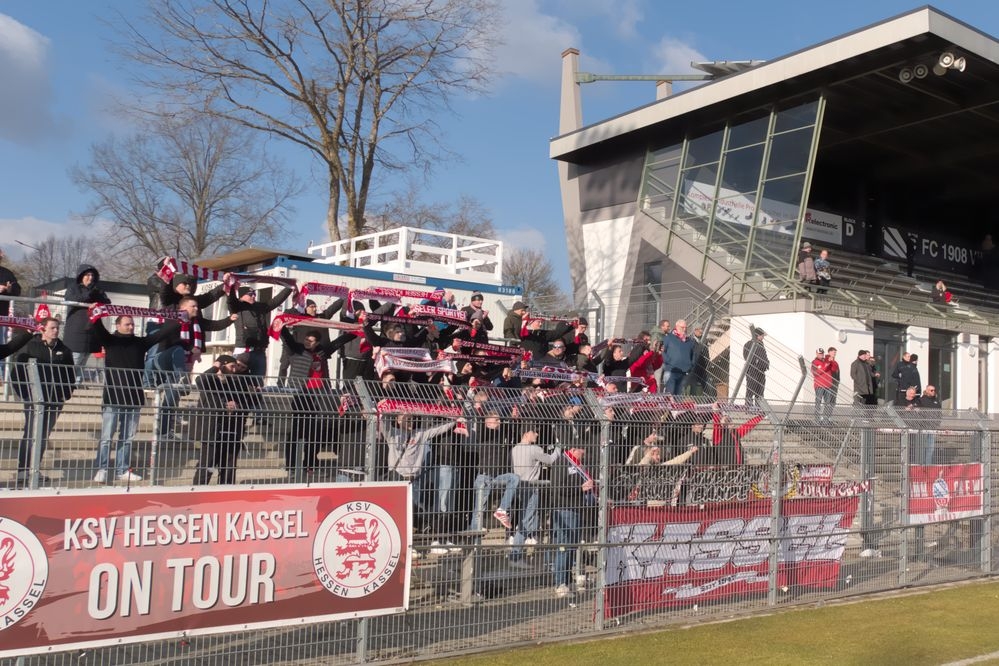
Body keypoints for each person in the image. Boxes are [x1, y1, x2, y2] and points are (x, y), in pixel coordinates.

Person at [89, 313, 172, 483]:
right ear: (118, 325)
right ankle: (102, 469)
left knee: (127, 438)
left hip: (133, 398)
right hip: (113, 398)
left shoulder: (140, 343)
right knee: (107, 437)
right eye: (127, 324)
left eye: (132, 324)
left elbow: (162, 333)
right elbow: (97, 327)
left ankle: (122, 469)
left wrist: (180, 319)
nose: (131, 327)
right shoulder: (110, 340)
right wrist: (95, 314)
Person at [12, 318, 75, 485]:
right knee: (31, 433)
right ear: (43, 330)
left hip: (55, 400)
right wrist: (25, 394)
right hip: (34, 400)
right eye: (52, 328)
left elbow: (70, 374)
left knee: (43, 435)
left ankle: (34, 469)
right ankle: (23, 470)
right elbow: (17, 372)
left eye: (57, 328)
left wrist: (66, 393)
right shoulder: (31, 346)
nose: (56, 331)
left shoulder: (64, 350)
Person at [190, 355, 258, 485]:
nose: (235, 370)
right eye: (232, 366)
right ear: (222, 365)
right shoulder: (211, 380)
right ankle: (198, 490)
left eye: (236, 367)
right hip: (213, 430)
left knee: (228, 467)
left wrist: (253, 395)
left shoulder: (235, 382)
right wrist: (215, 367)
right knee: (207, 465)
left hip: (231, 430)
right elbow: (200, 380)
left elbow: (246, 403)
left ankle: (226, 489)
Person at [509, 426, 560, 566]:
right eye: (534, 432)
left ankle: (520, 550)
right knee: (527, 523)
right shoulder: (534, 449)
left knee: (527, 520)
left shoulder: (514, 449)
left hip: (520, 488)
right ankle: (515, 557)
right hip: (531, 489)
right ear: (526, 434)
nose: (537, 434)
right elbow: (550, 460)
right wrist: (558, 448)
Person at [549, 443, 595, 599]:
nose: (583, 454)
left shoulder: (577, 465)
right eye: (582, 451)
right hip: (564, 509)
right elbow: (558, 488)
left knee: (572, 547)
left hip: (576, 509)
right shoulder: (561, 463)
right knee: (564, 547)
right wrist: (580, 488)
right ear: (574, 450)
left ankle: (567, 580)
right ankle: (560, 583)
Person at [467, 412, 519, 531]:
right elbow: (480, 422)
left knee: (514, 478)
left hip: (497, 477)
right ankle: (475, 536)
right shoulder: (484, 433)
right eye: (496, 420)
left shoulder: (500, 434)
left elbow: (511, 432)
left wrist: (512, 419)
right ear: (488, 422)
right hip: (485, 476)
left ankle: (502, 510)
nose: (499, 422)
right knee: (480, 509)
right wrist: (479, 410)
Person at [228, 284, 294, 376]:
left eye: (254, 294)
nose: (253, 296)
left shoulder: (260, 307)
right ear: (241, 297)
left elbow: (275, 301)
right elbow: (230, 300)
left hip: (260, 351)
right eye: (250, 294)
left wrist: (290, 287)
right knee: (239, 379)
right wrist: (231, 286)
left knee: (258, 381)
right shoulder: (237, 307)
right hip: (244, 349)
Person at [62, 264, 111, 385]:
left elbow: (107, 301)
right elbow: (72, 299)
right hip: (76, 332)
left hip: (91, 332)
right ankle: (67, 385)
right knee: (74, 361)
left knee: (83, 362)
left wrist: (96, 298)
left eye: (92, 275)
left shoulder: (97, 289)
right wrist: (89, 295)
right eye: (87, 275)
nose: (90, 278)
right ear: (81, 276)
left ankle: (76, 385)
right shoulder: (73, 288)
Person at [661, 319, 696, 395]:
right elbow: (662, 351)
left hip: (683, 372)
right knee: (669, 395)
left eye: (686, 327)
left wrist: (691, 365)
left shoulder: (689, 341)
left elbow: (693, 355)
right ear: (676, 327)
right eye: (682, 327)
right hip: (671, 371)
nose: (684, 329)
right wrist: (668, 361)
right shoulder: (668, 338)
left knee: (678, 397)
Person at [742, 327, 769, 407]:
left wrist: (766, 363)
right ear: (758, 335)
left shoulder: (761, 344)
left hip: (761, 371)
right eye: (762, 336)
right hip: (752, 370)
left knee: (760, 391)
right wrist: (756, 362)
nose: (763, 337)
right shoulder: (749, 344)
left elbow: (764, 356)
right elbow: (746, 356)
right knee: (750, 390)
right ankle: (748, 408)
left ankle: (758, 408)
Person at [918, 385, 942, 464]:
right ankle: (921, 464)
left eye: (934, 390)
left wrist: (937, 423)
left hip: (932, 427)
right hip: (923, 427)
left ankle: (928, 464)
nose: (933, 392)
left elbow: (939, 413)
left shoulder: (936, 401)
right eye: (931, 390)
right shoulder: (921, 400)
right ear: (927, 391)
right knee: (921, 447)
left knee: (930, 448)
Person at [812, 347, 834, 423]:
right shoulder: (814, 362)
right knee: (818, 402)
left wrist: (832, 361)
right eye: (820, 353)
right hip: (819, 385)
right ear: (816, 354)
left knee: (827, 403)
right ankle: (817, 419)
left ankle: (826, 419)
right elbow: (815, 373)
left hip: (828, 385)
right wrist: (825, 366)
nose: (821, 355)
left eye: (822, 353)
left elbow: (834, 369)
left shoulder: (826, 361)